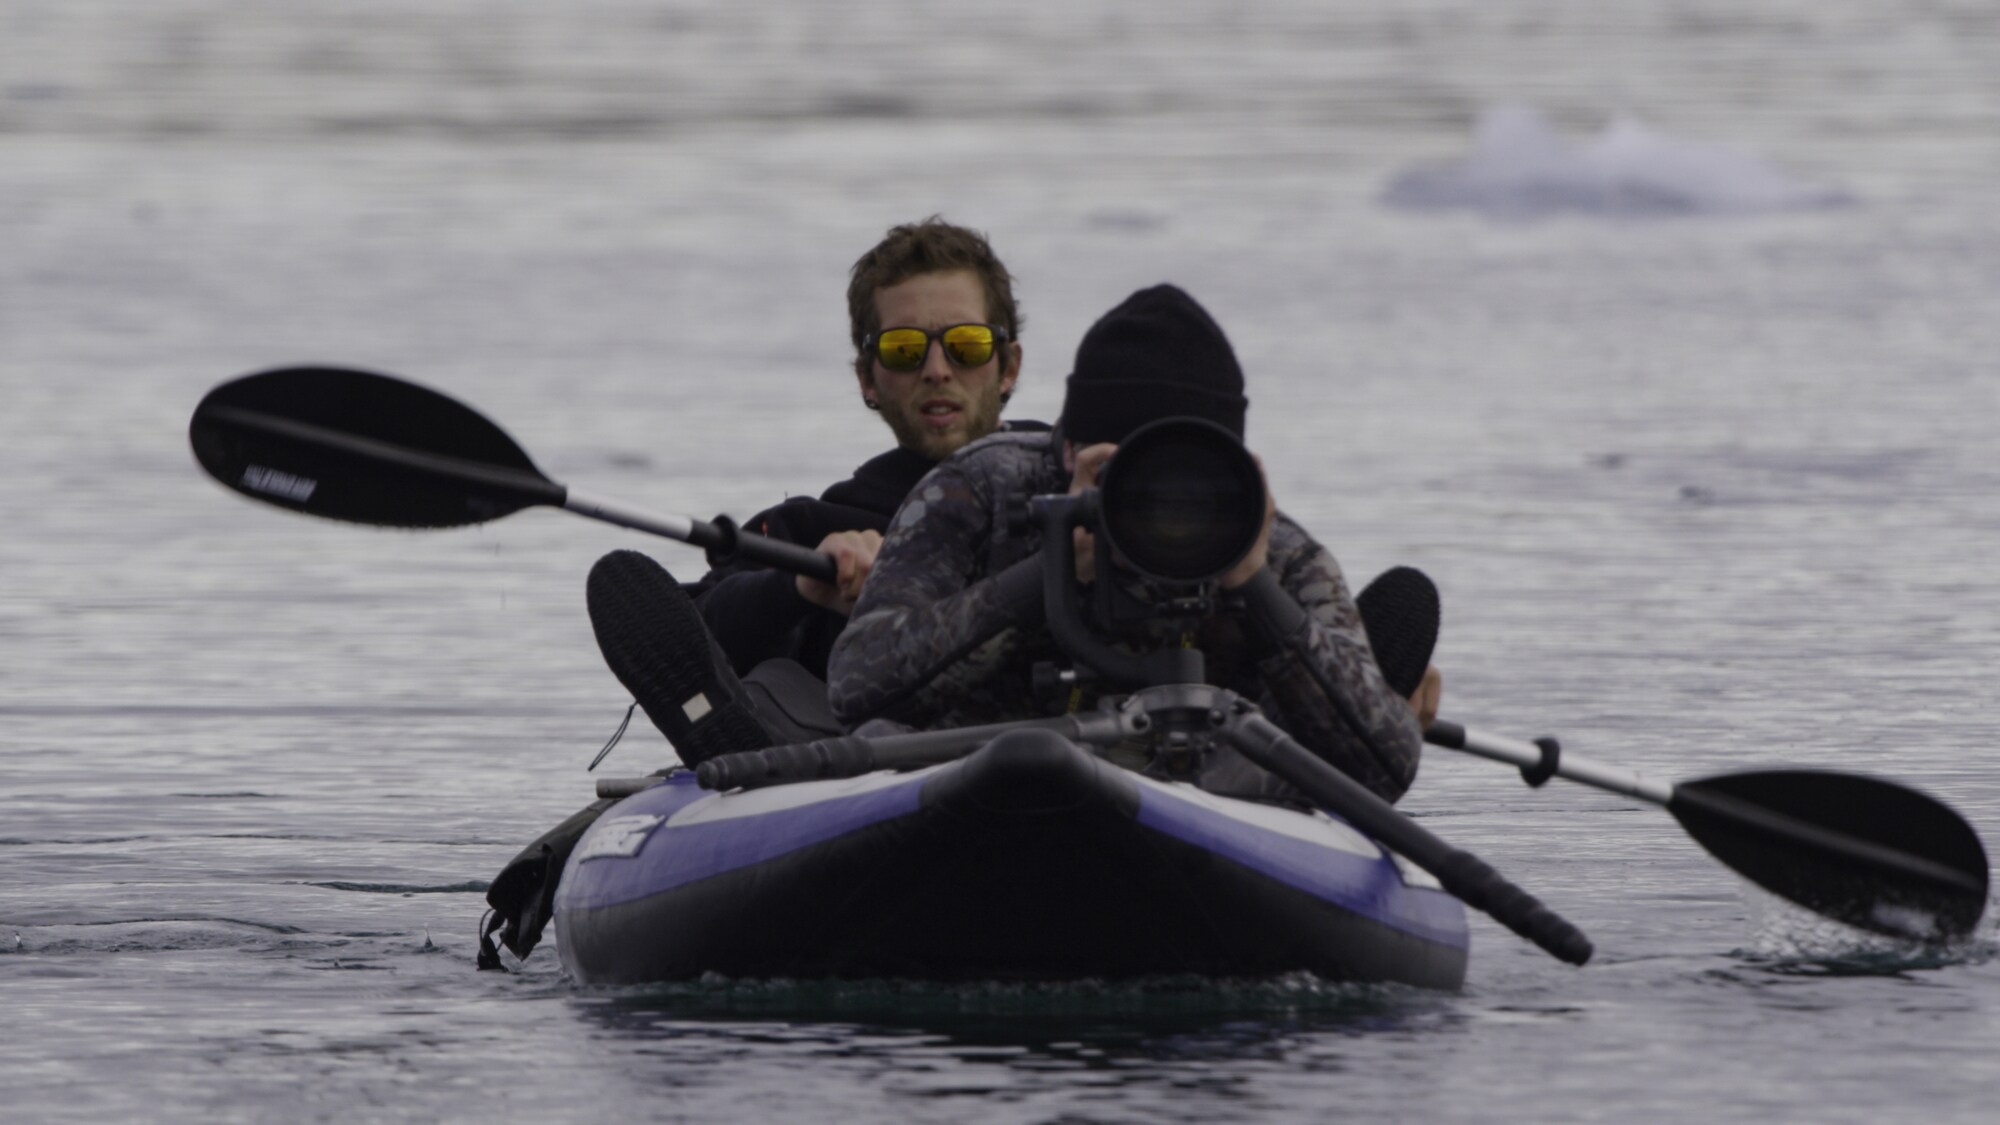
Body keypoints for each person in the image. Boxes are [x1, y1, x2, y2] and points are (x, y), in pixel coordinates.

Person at [480, 217, 1037, 966]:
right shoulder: (814, 524)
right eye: (906, 350)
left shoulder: (1091, 497)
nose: (937, 369)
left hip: (1062, 740)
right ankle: (756, 755)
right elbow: (689, 621)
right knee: (774, 676)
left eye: (964, 345)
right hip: (856, 773)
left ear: (1007, 365)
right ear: (869, 380)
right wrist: (800, 590)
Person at [827, 284, 1424, 804]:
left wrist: (1252, 582)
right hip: (986, 772)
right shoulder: (982, 491)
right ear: (1067, 452)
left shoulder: (1275, 548)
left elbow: (1386, 768)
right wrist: (1050, 571)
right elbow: (857, 685)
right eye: (1126, 471)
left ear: (1235, 464)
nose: (1158, 505)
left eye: (1186, 476)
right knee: (878, 741)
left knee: (1310, 766)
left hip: (1208, 793)